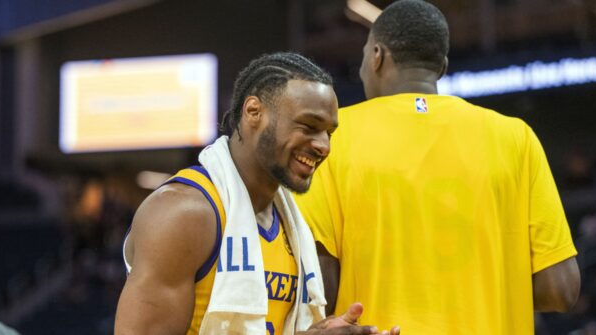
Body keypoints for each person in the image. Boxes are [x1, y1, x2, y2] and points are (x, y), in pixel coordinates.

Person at [294, 1, 581, 333]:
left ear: (376, 56)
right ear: (441, 66)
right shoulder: (517, 138)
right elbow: (561, 289)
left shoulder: (333, 138)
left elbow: (317, 291)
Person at [114, 52, 397, 335]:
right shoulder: (183, 213)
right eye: (309, 127)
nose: (323, 146)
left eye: (329, 133)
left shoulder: (293, 226)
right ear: (253, 112)